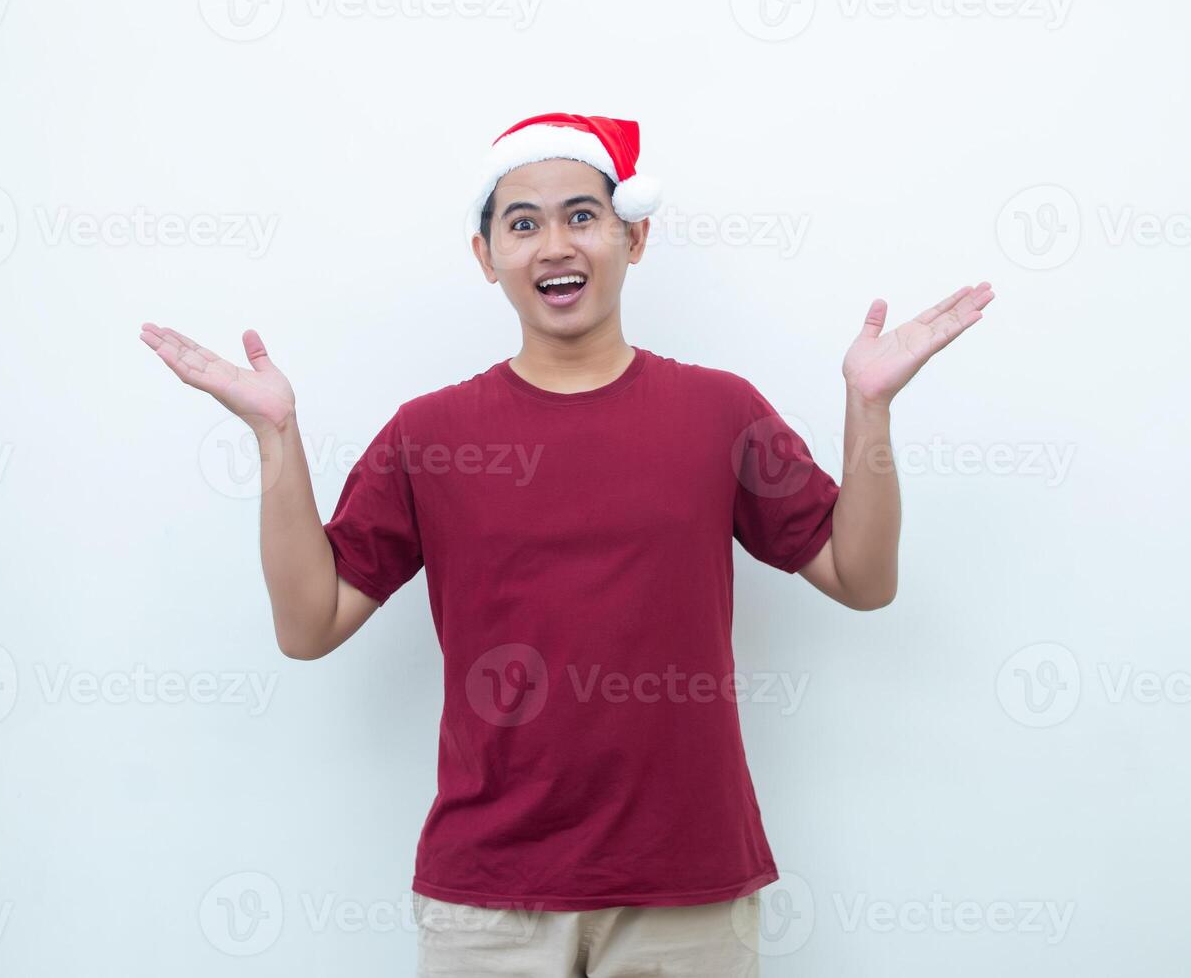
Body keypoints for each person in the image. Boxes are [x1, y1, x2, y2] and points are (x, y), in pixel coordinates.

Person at [140, 111, 995, 977]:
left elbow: (863, 578)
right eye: (523, 223)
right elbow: (308, 624)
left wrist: (870, 410)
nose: (555, 244)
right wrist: (276, 437)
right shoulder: (431, 434)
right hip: (489, 901)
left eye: (582, 216)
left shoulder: (721, 412)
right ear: (486, 257)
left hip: (687, 890)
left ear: (634, 238)